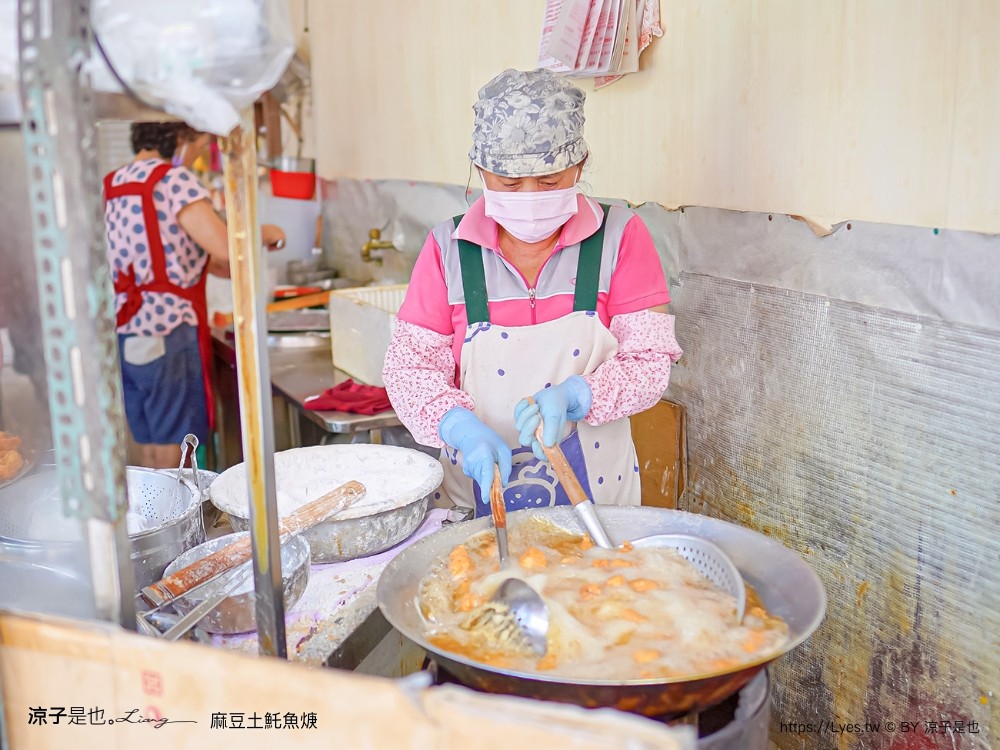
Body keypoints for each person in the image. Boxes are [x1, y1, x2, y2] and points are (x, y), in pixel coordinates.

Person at [382, 68, 683, 516]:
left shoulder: (620, 237)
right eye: (508, 183)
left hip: (600, 504)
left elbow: (649, 362)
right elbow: (410, 369)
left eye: (549, 182)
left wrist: (580, 396)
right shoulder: (448, 249)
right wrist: (456, 423)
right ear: (481, 170)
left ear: (579, 165)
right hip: (476, 500)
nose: (529, 196)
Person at [104, 122, 285, 469]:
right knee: (177, 444)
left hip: (126, 327)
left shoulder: (111, 184)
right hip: (171, 327)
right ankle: (176, 521)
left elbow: (171, 252)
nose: (199, 156)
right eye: (201, 146)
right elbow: (221, 245)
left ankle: (156, 520)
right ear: (179, 138)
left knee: (153, 442)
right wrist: (264, 233)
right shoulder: (173, 181)